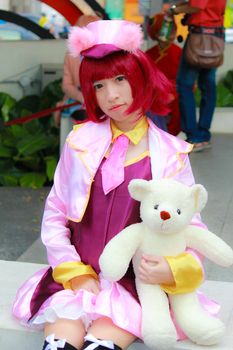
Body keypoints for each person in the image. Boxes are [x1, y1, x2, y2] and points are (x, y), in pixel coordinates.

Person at [12, 20, 220, 350]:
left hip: (134, 286)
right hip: (75, 279)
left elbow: (189, 223)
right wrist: (73, 270)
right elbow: (56, 210)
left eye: (120, 79)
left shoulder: (170, 153)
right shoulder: (80, 141)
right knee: (59, 345)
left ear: (140, 75)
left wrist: (172, 267)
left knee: (101, 345)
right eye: (98, 85)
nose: (111, 95)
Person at [169, 0, 227, 151]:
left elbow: (196, 6)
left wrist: (175, 10)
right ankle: (203, 135)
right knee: (208, 86)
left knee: (184, 84)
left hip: (199, 36)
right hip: (215, 35)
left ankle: (194, 135)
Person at [54, 14, 101, 153]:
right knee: (82, 121)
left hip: (101, 101)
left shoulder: (105, 55)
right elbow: (66, 85)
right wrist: (82, 97)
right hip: (78, 102)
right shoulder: (70, 55)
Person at [146, 12, 182, 136]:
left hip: (175, 94)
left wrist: (173, 94)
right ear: (155, 33)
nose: (170, 34)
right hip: (154, 95)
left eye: (172, 30)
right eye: (165, 30)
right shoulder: (148, 54)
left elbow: (188, 83)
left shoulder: (180, 53)